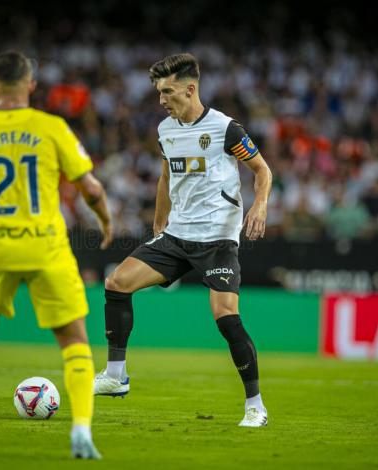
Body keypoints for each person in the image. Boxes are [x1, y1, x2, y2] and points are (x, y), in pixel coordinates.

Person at [0, 50, 112, 459]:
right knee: (74, 340)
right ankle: (82, 432)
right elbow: (93, 190)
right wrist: (105, 222)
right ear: (31, 86)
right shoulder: (51, 128)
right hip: (47, 247)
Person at [94, 53, 273, 427]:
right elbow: (165, 176)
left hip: (217, 240)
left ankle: (255, 406)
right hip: (177, 235)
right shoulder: (166, 130)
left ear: (190, 89)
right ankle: (115, 376)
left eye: (167, 91)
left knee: (225, 315)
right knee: (117, 282)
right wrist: (160, 219)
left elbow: (262, 170)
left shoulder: (226, 129)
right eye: (159, 92)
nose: (161, 99)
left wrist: (260, 205)